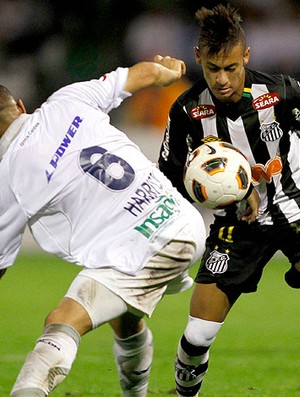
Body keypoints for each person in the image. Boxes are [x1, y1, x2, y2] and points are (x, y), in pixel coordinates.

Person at [0, 55, 207, 397]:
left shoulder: (8, 179)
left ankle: (28, 389)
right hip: (179, 219)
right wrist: (169, 69)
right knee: (124, 317)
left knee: (61, 321)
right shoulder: (67, 99)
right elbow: (148, 72)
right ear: (21, 106)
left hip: (146, 245)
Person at [158, 3, 300, 396]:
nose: (222, 80)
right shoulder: (186, 111)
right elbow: (168, 178)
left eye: (231, 68)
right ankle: (185, 393)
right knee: (198, 333)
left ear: (247, 57)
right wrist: (222, 196)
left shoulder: (282, 92)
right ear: (198, 58)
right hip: (237, 223)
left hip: (295, 204)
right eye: (213, 69)